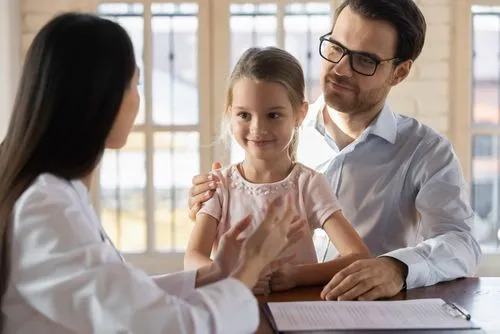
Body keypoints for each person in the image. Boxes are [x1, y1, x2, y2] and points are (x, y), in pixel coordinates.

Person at [0, 12, 302, 333]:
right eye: (136, 83)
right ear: (103, 98)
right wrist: (252, 265)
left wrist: (213, 273)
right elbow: (175, 327)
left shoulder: (52, 193)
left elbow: (124, 297)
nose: (138, 99)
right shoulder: (46, 209)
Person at [188, 0, 482, 301]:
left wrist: (398, 267)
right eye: (335, 47)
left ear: (400, 73)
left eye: (365, 60)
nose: (340, 69)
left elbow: (461, 243)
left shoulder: (426, 152)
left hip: (371, 314)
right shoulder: (268, 131)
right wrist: (209, 210)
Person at [184, 47, 371, 295]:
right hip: (230, 314)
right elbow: (192, 259)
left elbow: (358, 256)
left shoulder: (308, 184)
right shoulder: (219, 185)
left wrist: (296, 275)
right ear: (231, 114)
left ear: (299, 114)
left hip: (297, 316)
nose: (258, 128)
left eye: (273, 115)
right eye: (244, 115)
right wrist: (236, 276)